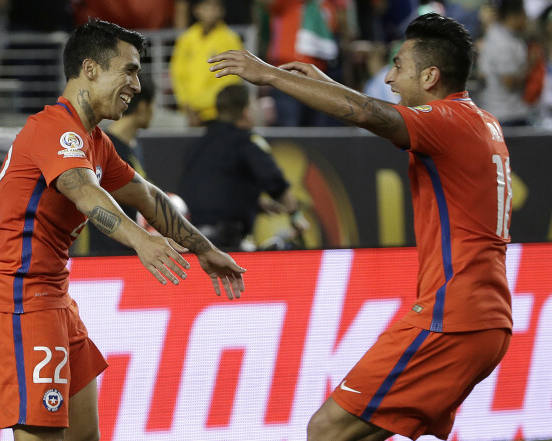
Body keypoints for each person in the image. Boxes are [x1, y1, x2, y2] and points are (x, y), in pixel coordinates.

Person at [209, 12, 513, 441]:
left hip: (452, 318)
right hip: (486, 320)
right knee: (358, 434)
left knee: (326, 429)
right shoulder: (482, 121)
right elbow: (373, 109)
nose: (389, 78)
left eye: (398, 67)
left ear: (430, 77)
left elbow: (370, 113)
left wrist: (272, 76)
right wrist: (327, 85)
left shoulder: (446, 121)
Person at [0, 18, 245, 441]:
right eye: (129, 70)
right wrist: (142, 241)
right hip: (20, 300)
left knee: (85, 436)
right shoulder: (53, 128)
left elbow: (146, 195)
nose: (136, 85)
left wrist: (204, 249)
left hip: (55, 299)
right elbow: (84, 191)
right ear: (90, 68)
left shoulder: (95, 141)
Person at [179, 84, 304, 250]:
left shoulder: (197, 145)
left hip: (190, 243)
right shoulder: (247, 143)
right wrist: (296, 216)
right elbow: (275, 183)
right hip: (227, 245)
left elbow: (212, 189)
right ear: (246, 111)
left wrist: (252, 202)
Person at [87, 72, 155, 254]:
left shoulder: (133, 146)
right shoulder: (103, 147)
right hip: (106, 255)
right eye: (153, 105)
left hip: (132, 252)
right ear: (143, 106)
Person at [170, 0, 243, 126]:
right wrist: (186, 103)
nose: (210, 11)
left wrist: (198, 104)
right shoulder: (186, 39)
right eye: (206, 6)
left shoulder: (230, 39)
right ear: (196, 10)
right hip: (189, 114)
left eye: (214, 6)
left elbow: (231, 78)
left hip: (218, 112)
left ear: (221, 11)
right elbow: (178, 74)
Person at [478, 0, 531, 126]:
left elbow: (482, 74)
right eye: (524, 14)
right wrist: (532, 68)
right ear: (513, 16)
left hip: (507, 112)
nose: (526, 19)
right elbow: (508, 81)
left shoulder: (506, 35)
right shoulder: (502, 43)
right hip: (506, 115)